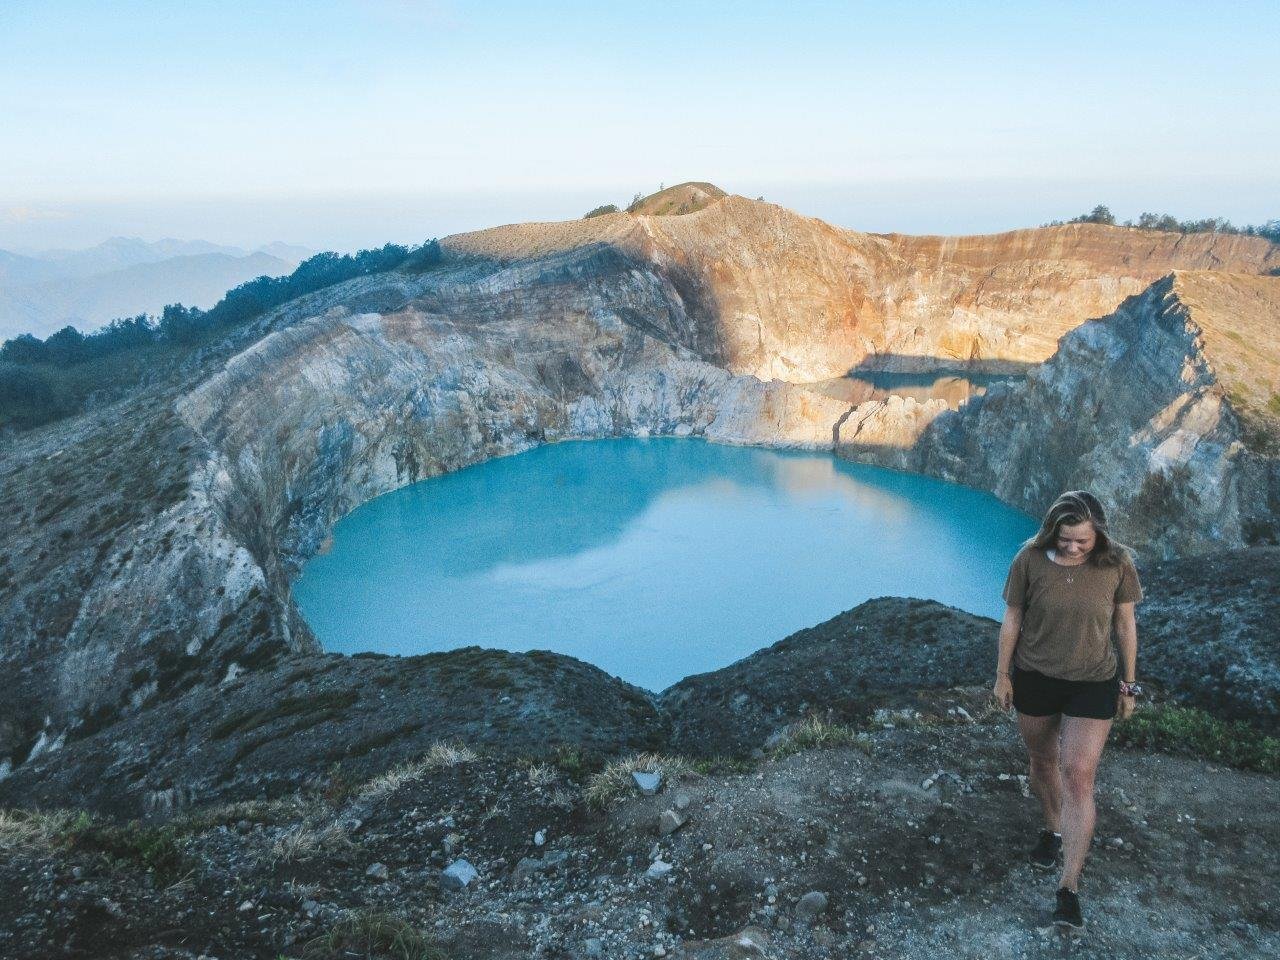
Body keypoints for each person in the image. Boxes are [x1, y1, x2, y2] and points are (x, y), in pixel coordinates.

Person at [993, 490, 1143, 932]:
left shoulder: (1116, 565)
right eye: (1065, 540)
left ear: (1098, 534)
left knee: (1077, 773)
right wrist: (1003, 675)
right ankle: (1053, 829)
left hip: (1093, 681)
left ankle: (1069, 888)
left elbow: (1124, 623)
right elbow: (1013, 619)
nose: (1074, 548)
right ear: (1051, 532)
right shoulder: (1029, 561)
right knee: (1042, 762)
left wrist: (1129, 684)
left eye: (1083, 541)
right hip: (1036, 677)